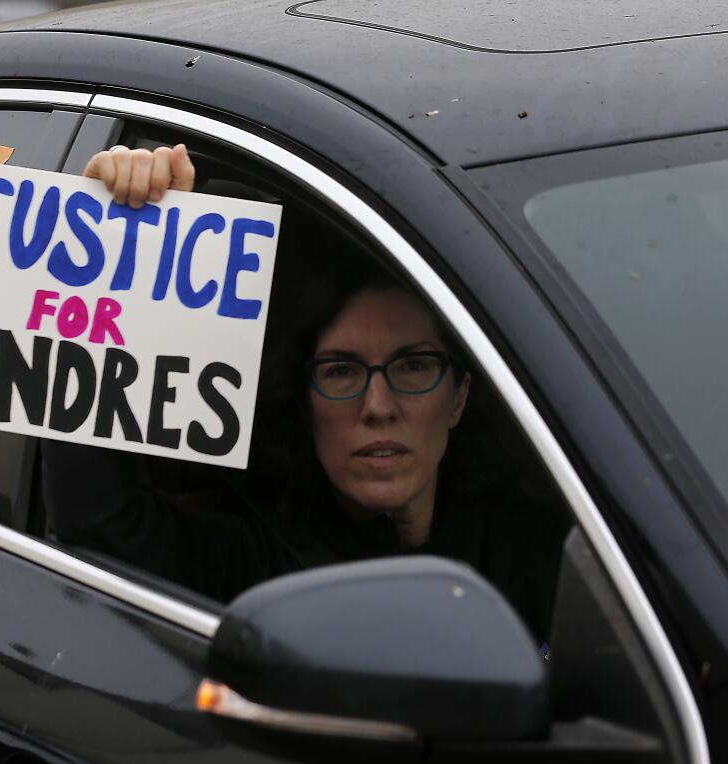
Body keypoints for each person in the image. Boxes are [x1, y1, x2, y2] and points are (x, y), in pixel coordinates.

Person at [40, 145, 567, 638]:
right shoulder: (263, 560)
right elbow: (97, 519)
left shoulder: (550, 549)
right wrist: (120, 238)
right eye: (341, 372)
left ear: (457, 398)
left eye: (412, 367)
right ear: (303, 402)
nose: (379, 408)